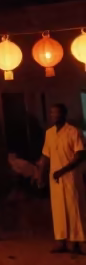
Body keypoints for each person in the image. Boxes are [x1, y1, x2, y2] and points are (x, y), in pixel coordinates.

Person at [41, 103, 86, 255]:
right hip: (55, 178)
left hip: (71, 176)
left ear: (64, 114)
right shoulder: (49, 133)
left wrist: (63, 170)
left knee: (74, 209)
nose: (54, 116)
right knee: (58, 210)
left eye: (57, 113)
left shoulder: (73, 132)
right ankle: (61, 241)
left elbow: (80, 155)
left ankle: (78, 242)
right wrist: (41, 174)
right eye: (52, 113)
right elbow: (46, 156)